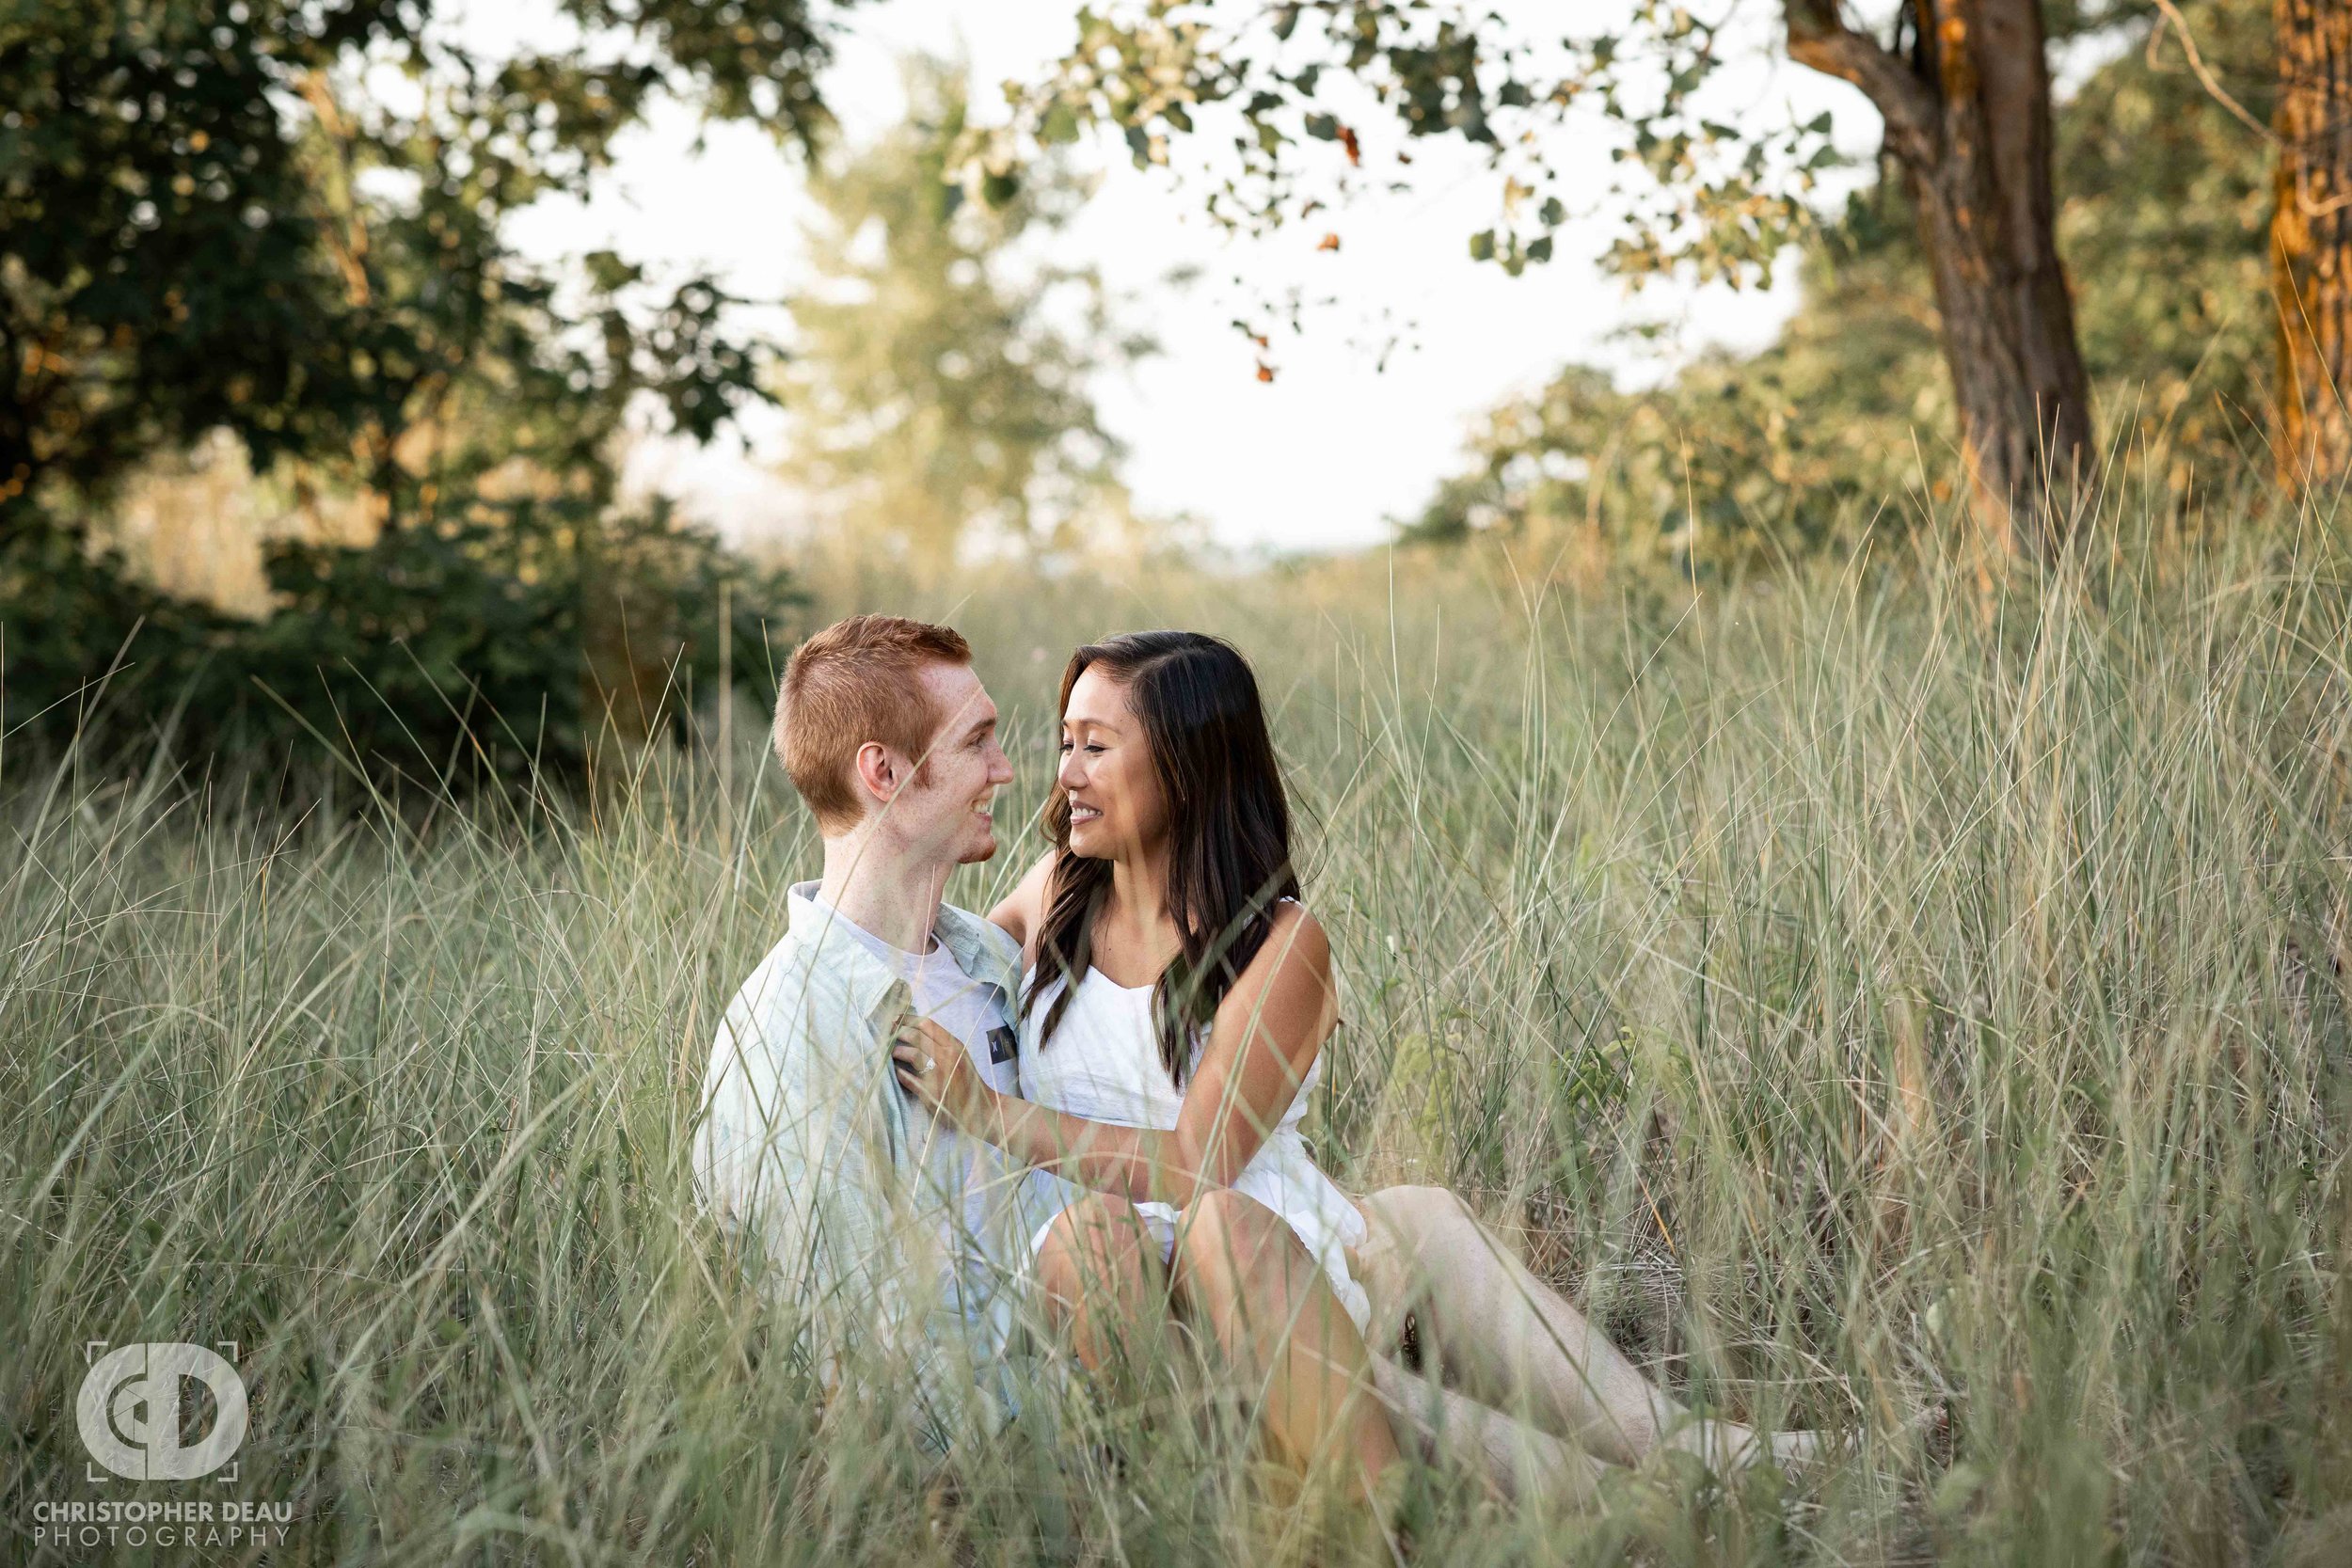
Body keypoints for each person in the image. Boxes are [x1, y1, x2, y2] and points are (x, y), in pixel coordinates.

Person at [893, 630, 1829, 1487]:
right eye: (1067, 741)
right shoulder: (1057, 890)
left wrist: (991, 1112)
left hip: (1253, 1251)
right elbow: (924, 944)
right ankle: (1645, 1493)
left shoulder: (1279, 941)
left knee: (1394, 1241)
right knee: (1396, 1253)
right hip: (1117, 1285)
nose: (1066, 774)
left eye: (1097, 745)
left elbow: (1197, 1162)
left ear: (1187, 765)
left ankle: (1681, 1458)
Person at [690, 615, 1406, 1505]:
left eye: (1085, 744)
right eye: (981, 742)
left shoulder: (988, 961)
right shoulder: (791, 1029)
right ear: (882, 773)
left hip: (1204, 1294)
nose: (1018, 769)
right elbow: (846, 1342)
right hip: (1048, 1410)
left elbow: (1184, 1151)